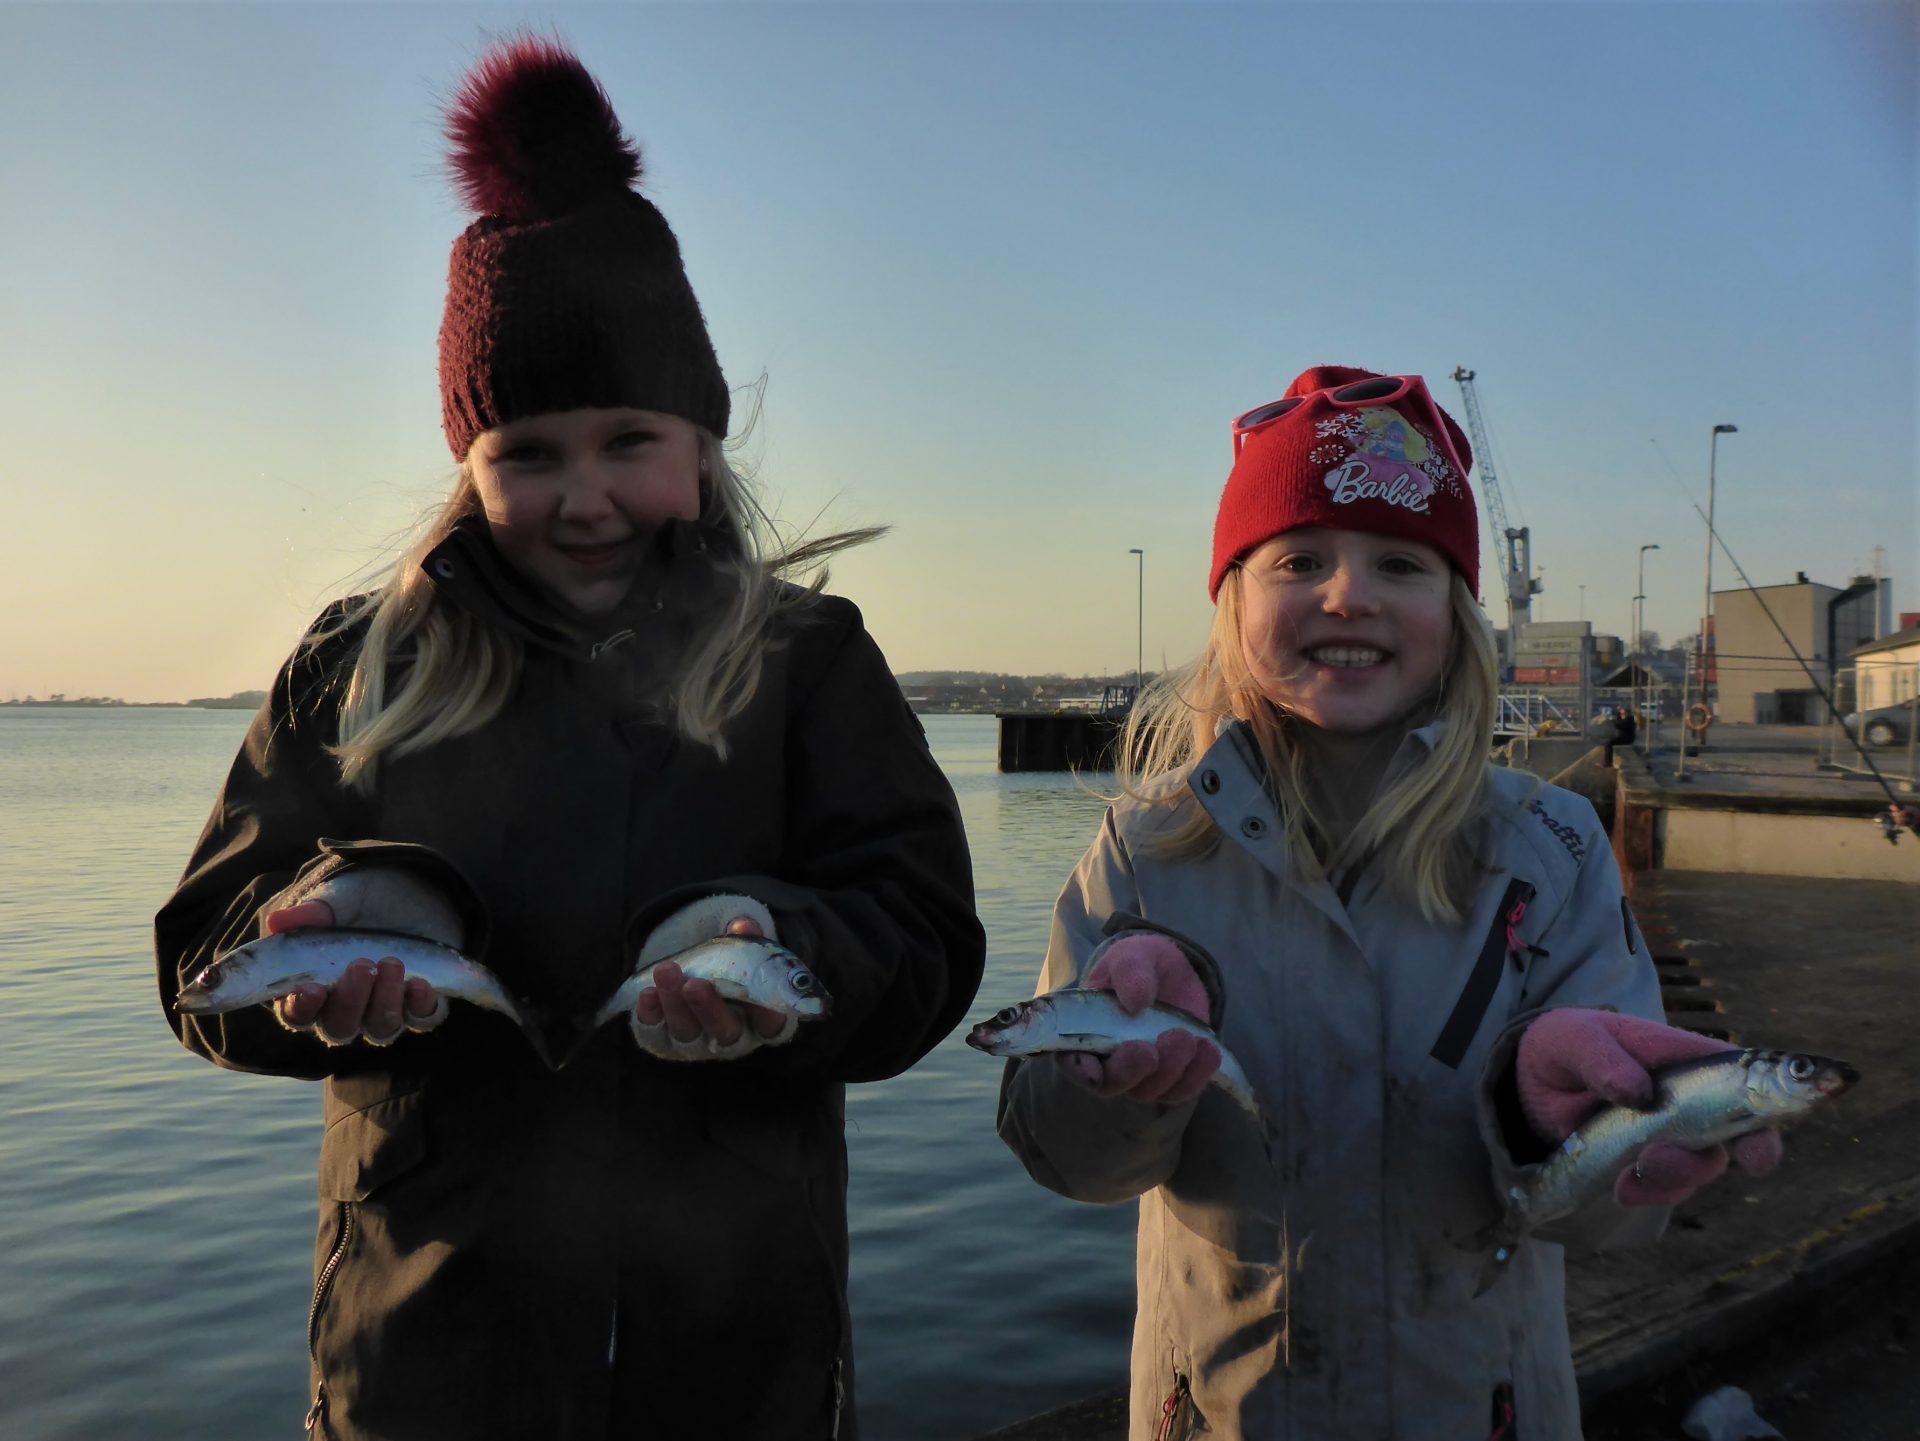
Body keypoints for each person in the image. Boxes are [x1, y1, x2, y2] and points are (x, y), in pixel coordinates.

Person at [155, 38, 983, 1441]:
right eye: (526, 454)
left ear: (704, 441)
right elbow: (199, 957)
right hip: (422, 1358)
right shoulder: (359, 664)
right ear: (467, 464)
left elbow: (921, 944)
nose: (583, 494)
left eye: (627, 440)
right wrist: (350, 912)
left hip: (739, 1361)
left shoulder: (806, 659)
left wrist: (764, 942)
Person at [994, 367, 1784, 1440]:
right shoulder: (1142, 852)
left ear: (1457, 617)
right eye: (1300, 559)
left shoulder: (1549, 853)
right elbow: (1070, 1161)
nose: (1347, 594)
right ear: (1231, 600)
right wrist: (1113, 1086)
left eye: (1400, 563)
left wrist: (1578, 1126)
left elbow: (1611, 1216)